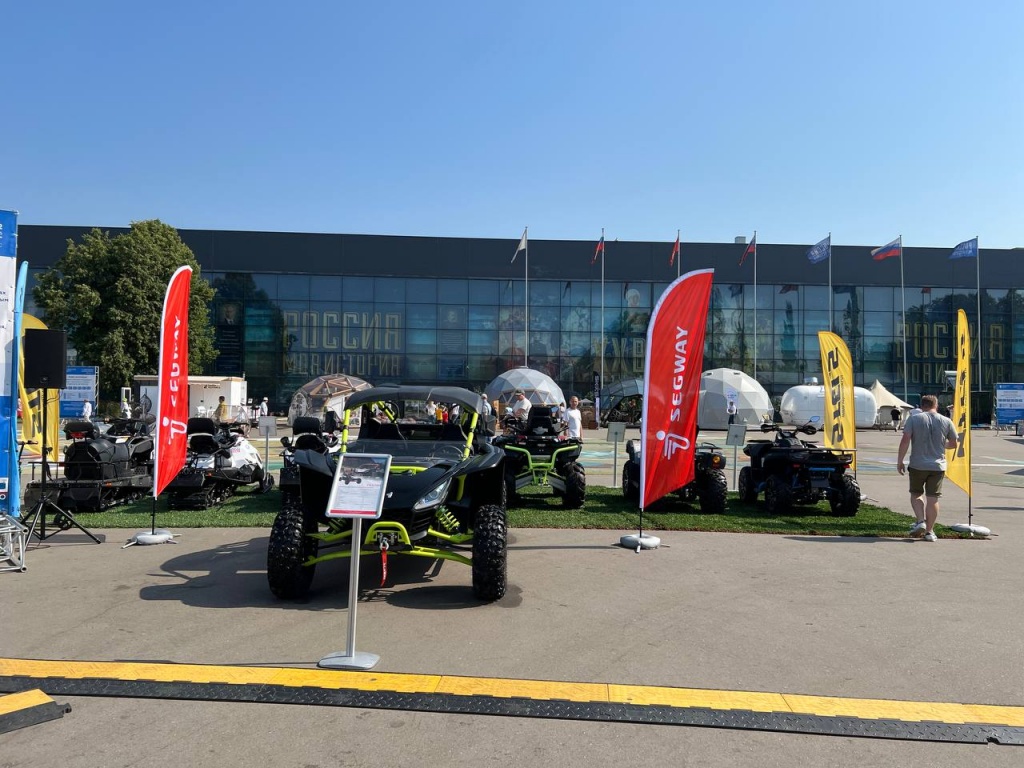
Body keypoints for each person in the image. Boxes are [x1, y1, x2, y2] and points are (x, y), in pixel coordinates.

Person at [897, 395, 959, 542]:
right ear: (936, 405)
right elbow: (954, 443)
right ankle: (930, 531)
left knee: (916, 494)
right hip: (937, 466)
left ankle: (920, 521)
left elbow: (905, 439)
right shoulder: (946, 420)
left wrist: (900, 461)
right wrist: (940, 445)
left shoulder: (914, 419)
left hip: (918, 464)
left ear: (922, 405)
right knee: (933, 499)